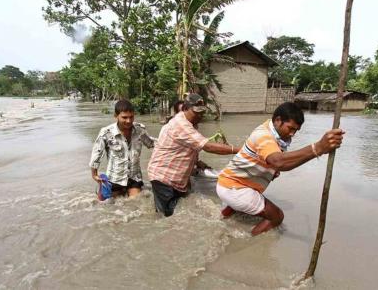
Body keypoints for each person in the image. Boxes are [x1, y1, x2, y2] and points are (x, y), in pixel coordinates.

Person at [216, 102, 345, 236]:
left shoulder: (273, 133)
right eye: (290, 128)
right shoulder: (263, 135)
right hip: (234, 188)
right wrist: (317, 148)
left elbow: (282, 163)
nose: (292, 134)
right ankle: (248, 240)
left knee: (247, 206)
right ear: (278, 120)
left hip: (229, 183)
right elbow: (279, 162)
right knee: (277, 217)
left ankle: (223, 215)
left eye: (296, 130)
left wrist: (319, 150)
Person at [147, 93, 240, 216]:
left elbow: (187, 147)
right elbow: (207, 146)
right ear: (185, 108)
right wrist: (240, 150)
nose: (200, 115)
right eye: (196, 112)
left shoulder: (191, 123)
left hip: (178, 179)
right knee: (167, 217)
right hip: (164, 177)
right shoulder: (181, 125)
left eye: (202, 112)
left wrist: (197, 162)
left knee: (179, 212)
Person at [89, 99, 155, 198]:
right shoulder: (106, 133)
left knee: (135, 203)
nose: (128, 121)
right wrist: (94, 174)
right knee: (105, 204)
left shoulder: (140, 130)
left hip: (134, 178)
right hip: (114, 178)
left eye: (131, 117)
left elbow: (152, 144)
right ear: (116, 116)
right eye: (124, 117)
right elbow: (97, 153)